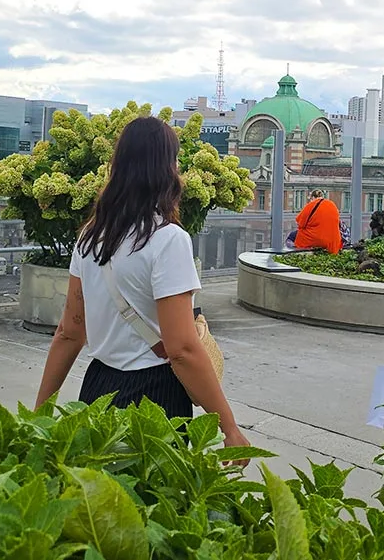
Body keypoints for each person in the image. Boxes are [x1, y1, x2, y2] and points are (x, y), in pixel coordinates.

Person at [34, 117, 250, 453]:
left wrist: (39, 415)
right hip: (155, 397)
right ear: (167, 169)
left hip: (97, 388)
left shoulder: (91, 237)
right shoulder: (168, 240)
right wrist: (230, 428)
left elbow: (68, 333)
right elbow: (182, 350)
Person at [291, 189, 343, 254]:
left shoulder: (311, 205)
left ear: (313, 197)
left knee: (292, 236)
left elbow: (300, 223)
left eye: (310, 199)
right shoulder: (332, 204)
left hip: (316, 239)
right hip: (333, 241)